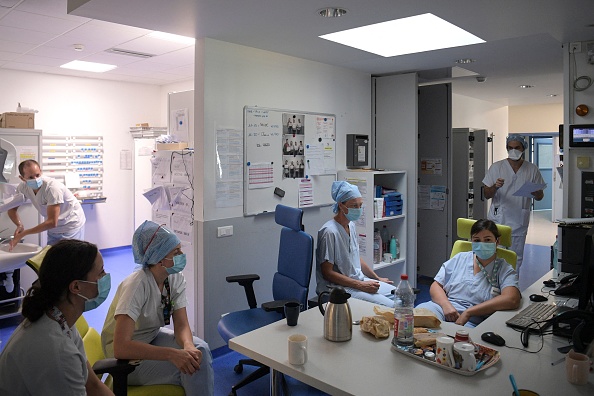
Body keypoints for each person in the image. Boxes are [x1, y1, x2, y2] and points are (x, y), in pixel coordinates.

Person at [101, 221, 214, 395]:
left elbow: (181, 324)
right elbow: (121, 347)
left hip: (150, 337)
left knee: (200, 351)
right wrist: (172, 354)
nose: (182, 255)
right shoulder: (137, 285)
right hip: (124, 360)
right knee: (192, 368)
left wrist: (188, 345)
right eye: (176, 252)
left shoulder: (174, 278)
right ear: (159, 258)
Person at [0, 239, 113, 395]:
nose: (106, 276)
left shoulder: (59, 318)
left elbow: (93, 384)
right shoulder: (58, 354)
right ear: (76, 287)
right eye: (101, 272)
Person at [415, 219, 521, 327]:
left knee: (461, 338)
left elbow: (512, 299)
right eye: (477, 240)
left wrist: (469, 312)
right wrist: (446, 305)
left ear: (497, 242)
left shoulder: (503, 269)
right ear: (471, 241)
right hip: (444, 308)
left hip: (474, 319)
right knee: (415, 319)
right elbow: (436, 285)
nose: (482, 244)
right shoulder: (460, 258)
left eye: (487, 240)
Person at [316, 181, 396, 307]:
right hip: (338, 289)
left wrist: (377, 278)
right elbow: (327, 273)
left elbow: (354, 257)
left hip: (356, 281)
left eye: (360, 205)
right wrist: (361, 285)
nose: (358, 209)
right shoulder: (329, 232)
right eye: (354, 206)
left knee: (399, 296)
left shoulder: (351, 225)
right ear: (341, 205)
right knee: (392, 307)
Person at [482, 134, 545, 274]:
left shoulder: (532, 169)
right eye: (510, 148)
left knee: (516, 258)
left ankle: (511, 287)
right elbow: (486, 194)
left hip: (519, 220)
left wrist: (535, 191)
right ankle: (493, 287)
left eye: (517, 147)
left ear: (523, 148)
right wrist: (495, 187)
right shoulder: (497, 167)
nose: (513, 150)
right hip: (498, 219)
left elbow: (540, 196)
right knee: (494, 255)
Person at [8, 159, 86, 248]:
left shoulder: (52, 188)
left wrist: (24, 233)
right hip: (53, 228)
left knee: (72, 256)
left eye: (37, 175)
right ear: (22, 178)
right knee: (53, 256)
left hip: (71, 223)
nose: (36, 179)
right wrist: (19, 225)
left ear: (41, 171)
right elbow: (12, 209)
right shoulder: (23, 187)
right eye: (30, 177)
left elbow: (52, 222)